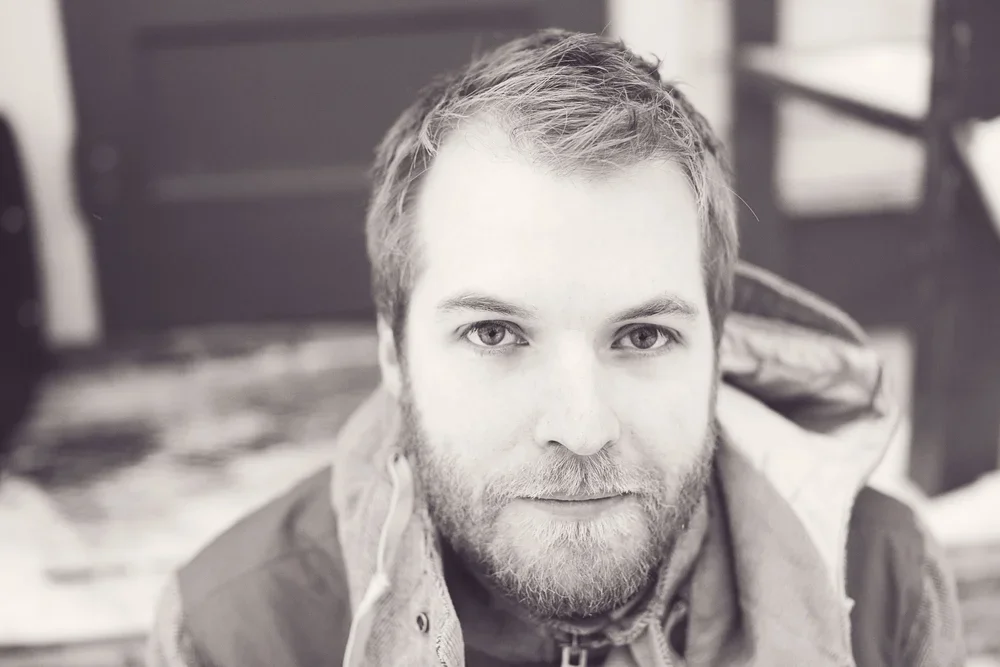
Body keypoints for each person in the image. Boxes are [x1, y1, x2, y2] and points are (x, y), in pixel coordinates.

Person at [146, 29, 965, 667]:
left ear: (719, 348)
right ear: (394, 355)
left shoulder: (881, 581)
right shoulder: (235, 632)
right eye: (495, 333)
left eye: (643, 334)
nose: (581, 425)